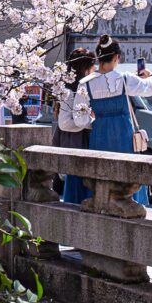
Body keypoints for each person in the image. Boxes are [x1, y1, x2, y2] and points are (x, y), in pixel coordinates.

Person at [73, 35, 152, 205]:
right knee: (127, 181)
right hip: (124, 138)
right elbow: (151, 89)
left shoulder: (85, 83)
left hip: (99, 138)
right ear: (117, 57)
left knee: (101, 182)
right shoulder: (125, 78)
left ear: (99, 57)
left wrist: (97, 120)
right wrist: (150, 76)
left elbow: (79, 120)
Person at [53, 48, 96, 203]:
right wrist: (89, 123)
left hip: (76, 137)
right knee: (76, 181)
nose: (94, 68)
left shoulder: (76, 87)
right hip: (73, 139)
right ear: (84, 67)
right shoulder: (69, 91)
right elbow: (64, 123)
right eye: (92, 64)